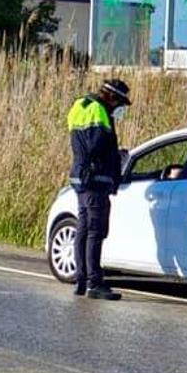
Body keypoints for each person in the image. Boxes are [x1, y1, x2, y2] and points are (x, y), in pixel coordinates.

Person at [67, 78, 132, 300]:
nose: (120, 109)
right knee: (96, 230)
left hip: (80, 176)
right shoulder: (99, 110)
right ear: (112, 97)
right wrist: (116, 157)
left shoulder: (80, 106)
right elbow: (96, 146)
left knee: (84, 228)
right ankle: (95, 282)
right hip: (94, 179)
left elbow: (82, 145)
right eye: (120, 103)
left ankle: (81, 279)